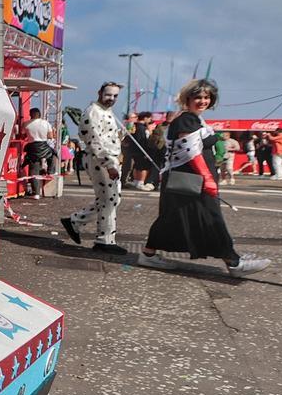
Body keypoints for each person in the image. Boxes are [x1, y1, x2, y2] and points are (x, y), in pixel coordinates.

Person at [138, 80, 270, 277]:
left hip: (187, 180)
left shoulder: (196, 121)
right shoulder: (186, 120)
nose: (203, 101)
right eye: (198, 97)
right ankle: (233, 262)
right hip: (193, 180)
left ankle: (148, 254)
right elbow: (191, 152)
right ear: (188, 99)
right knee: (211, 218)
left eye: (207, 97)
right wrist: (207, 179)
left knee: (171, 218)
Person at [62, 82, 127, 254]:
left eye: (115, 96)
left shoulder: (107, 112)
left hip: (109, 159)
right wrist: (109, 164)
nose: (111, 99)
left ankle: (76, 222)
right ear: (100, 92)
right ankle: (104, 240)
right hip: (100, 161)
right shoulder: (93, 112)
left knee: (110, 199)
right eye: (108, 95)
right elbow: (94, 141)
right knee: (109, 200)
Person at [22, 107, 54, 200]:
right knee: (53, 155)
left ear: (30, 115)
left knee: (33, 170)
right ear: (39, 114)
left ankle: (36, 193)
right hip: (43, 146)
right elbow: (50, 136)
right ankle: (50, 171)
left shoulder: (26, 124)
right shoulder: (46, 123)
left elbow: (23, 135)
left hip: (33, 147)